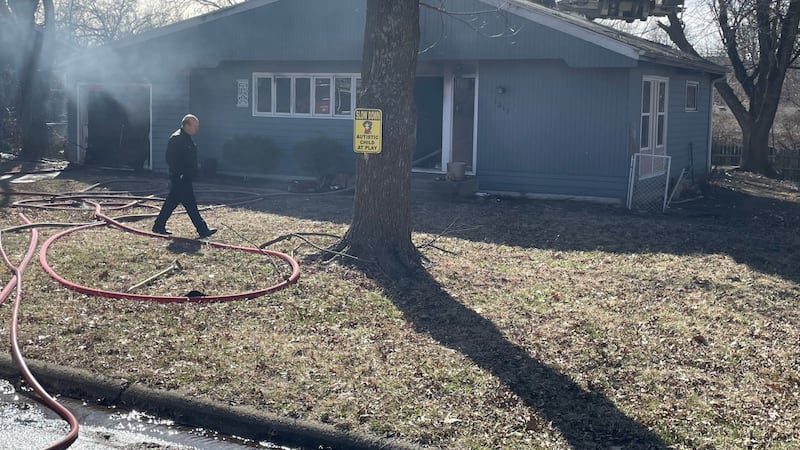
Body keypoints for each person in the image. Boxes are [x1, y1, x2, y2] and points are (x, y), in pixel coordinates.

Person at [152, 114, 217, 238]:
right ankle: (202, 230)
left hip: (185, 176)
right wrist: (180, 173)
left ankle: (158, 225)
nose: (197, 128)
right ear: (186, 125)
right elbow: (170, 159)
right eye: (195, 125)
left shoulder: (187, 138)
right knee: (190, 204)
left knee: (171, 202)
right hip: (180, 177)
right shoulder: (176, 139)